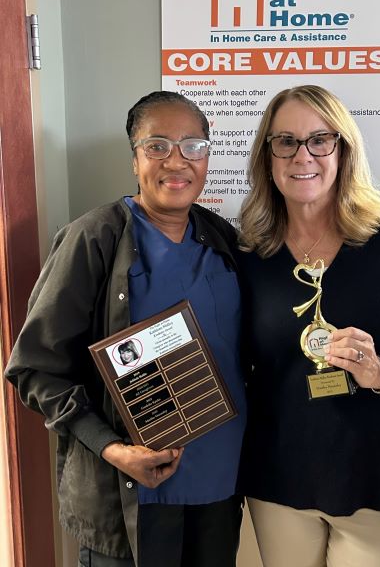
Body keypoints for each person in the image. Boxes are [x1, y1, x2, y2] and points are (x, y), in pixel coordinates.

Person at [5, 91, 246, 567]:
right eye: (157, 145)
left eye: (192, 146)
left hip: (218, 492)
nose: (176, 161)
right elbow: (34, 371)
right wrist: (111, 448)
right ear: (135, 159)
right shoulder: (93, 239)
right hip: (128, 498)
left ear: (207, 157)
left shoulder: (223, 240)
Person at [236, 84, 380, 567]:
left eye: (319, 140)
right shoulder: (251, 252)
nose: (302, 155)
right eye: (285, 141)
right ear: (267, 156)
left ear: (343, 149)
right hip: (280, 479)